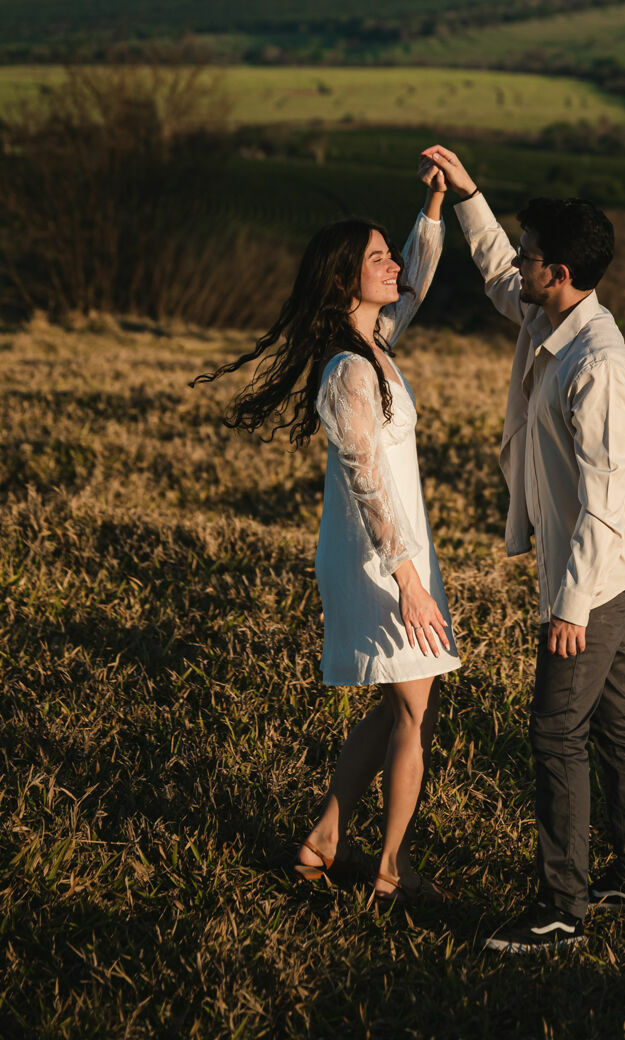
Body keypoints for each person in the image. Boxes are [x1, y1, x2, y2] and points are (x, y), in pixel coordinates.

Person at [194, 162, 459, 908]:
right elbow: (369, 480)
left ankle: (322, 840)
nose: (392, 265)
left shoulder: (376, 343)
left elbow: (420, 277)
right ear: (346, 279)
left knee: (395, 702)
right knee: (417, 705)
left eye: (388, 253)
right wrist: (408, 579)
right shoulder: (347, 369)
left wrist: (433, 207)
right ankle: (389, 873)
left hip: (399, 552)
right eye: (377, 258)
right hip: (380, 559)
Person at [420, 145, 625, 952]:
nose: (517, 262)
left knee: (555, 730)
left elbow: (599, 503)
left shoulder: (598, 368)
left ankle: (563, 908)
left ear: (557, 271)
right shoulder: (547, 313)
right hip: (601, 565)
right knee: (615, 722)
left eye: (530, 254)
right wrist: (468, 195)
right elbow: (495, 268)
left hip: (597, 572)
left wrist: (569, 608)